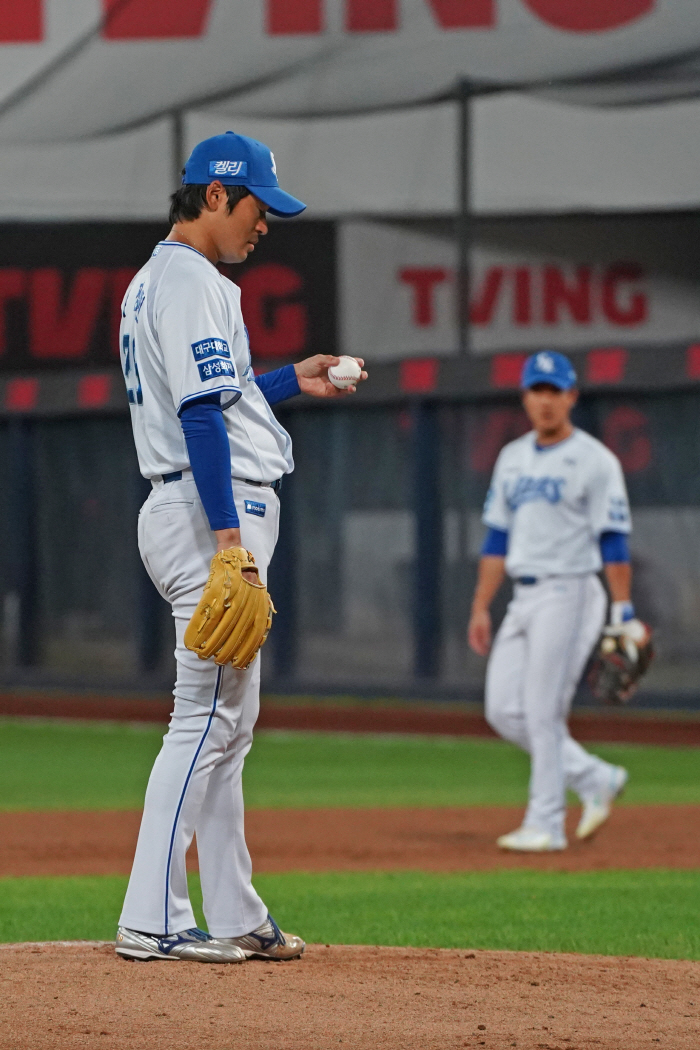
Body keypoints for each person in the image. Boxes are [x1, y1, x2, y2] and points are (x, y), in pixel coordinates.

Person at [115, 131, 366, 962]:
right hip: (204, 512)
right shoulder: (191, 281)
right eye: (260, 205)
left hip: (193, 503)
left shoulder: (163, 280)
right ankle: (151, 919)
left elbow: (219, 399)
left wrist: (296, 379)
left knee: (230, 721)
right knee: (206, 716)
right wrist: (229, 542)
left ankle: (232, 913)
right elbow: (197, 420)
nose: (268, 223)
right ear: (217, 196)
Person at [467, 351, 640, 852]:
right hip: (523, 596)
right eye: (536, 390)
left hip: (572, 590)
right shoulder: (513, 457)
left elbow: (614, 541)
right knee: (502, 710)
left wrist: (622, 611)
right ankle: (593, 778)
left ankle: (546, 822)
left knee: (542, 711)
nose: (544, 400)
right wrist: (482, 605)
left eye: (553, 390)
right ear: (525, 397)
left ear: (571, 397)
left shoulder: (596, 460)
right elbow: (497, 539)